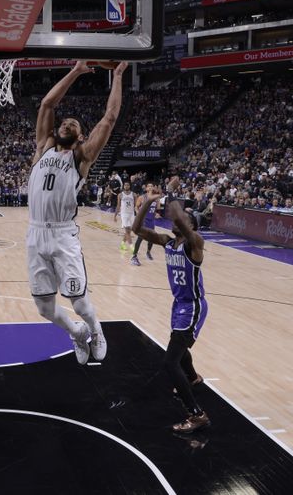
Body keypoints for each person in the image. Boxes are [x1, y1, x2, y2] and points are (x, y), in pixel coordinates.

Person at [27, 60, 128, 365]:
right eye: (65, 122)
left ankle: (96, 330)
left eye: (75, 125)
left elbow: (109, 118)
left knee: (80, 301)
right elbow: (48, 102)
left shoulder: (81, 158)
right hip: (34, 233)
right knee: (44, 308)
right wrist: (76, 70)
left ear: (81, 137)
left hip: (62, 234)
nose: (68, 123)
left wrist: (118, 75)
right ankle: (76, 332)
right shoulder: (43, 146)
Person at [133, 176, 210, 434]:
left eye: (186, 219)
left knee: (170, 362)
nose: (179, 220)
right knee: (179, 347)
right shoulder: (168, 243)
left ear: (191, 226)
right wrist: (148, 202)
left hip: (193, 307)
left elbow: (179, 219)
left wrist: (172, 197)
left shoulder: (195, 245)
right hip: (178, 305)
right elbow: (136, 229)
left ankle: (196, 414)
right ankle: (192, 377)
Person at [130, 182, 159, 266]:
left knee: (152, 238)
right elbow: (136, 207)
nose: (150, 187)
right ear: (146, 188)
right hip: (143, 220)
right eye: (149, 186)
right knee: (140, 238)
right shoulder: (142, 197)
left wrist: (156, 213)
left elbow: (157, 209)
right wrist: (139, 214)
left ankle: (148, 252)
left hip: (151, 221)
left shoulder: (155, 198)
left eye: (152, 186)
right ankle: (134, 256)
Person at [113, 181, 136, 253]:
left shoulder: (134, 194)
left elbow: (136, 206)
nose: (126, 186)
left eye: (128, 185)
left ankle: (122, 244)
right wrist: (115, 215)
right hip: (124, 214)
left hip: (131, 214)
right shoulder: (120, 195)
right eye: (125, 185)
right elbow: (118, 205)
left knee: (130, 231)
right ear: (123, 186)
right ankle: (132, 247)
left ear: (130, 186)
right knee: (127, 231)